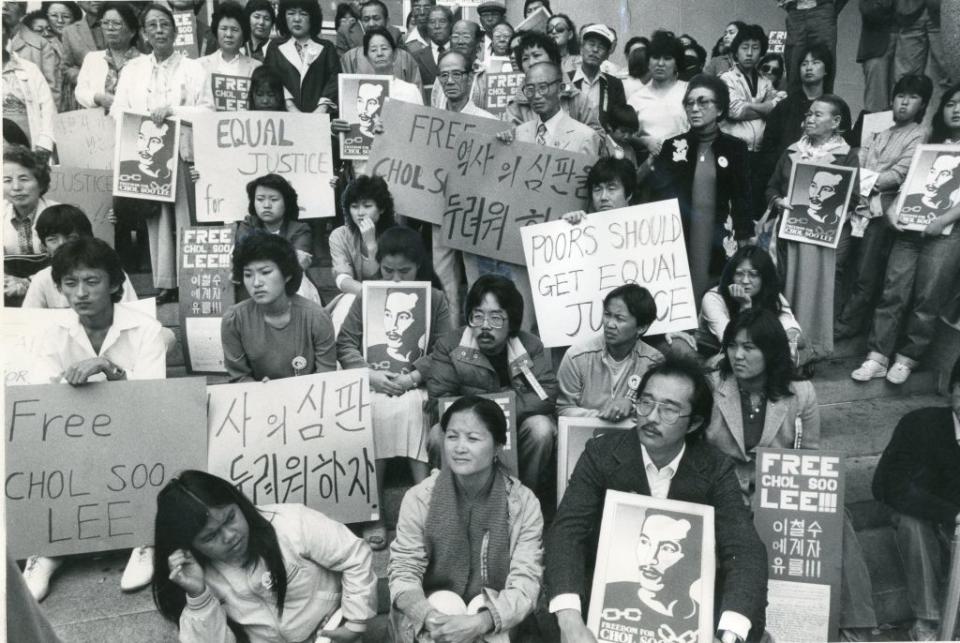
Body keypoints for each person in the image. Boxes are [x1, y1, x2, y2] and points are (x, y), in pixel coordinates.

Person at [544, 355, 768, 643]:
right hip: (609, 601)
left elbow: (744, 549)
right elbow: (567, 531)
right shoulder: (601, 454)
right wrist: (570, 620)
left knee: (744, 626)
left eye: (669, 410)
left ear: (694, 423)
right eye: (646, 403)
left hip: (685, 605)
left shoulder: (715, 468)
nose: (651, 417)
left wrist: (728, 635)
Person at [706, 308, 878, 640]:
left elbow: (811, 458)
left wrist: (787, 495)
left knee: (836, 517)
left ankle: (857, 626)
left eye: (749, 348)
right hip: (722, 493)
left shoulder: (801, 393)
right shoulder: (712, 386)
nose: (738, 355)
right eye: (733, 346)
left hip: (778, 494)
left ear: (771, 351)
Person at [22, 237, 166, 602]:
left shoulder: (144, 328)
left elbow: (155, 399)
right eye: (70, 284)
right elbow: (43, 395)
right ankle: (49, 547)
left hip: (136, 429)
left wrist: (109, 369)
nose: (81, 293)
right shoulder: (51, 332)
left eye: (92, 281)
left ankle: (143, 538)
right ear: (59, 288)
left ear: (115, 283)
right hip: (71, 432)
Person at [152, 470, 377, 643]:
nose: (230, 536)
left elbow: (354, 554)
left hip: (330, 630)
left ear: (238, 503)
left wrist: (355, 623)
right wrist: (198, 595)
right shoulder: (193, 573)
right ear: (189, 545)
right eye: (211, 536)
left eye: (230, 518)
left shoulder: (290, 523)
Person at [388, 396, 543, 642]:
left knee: (487, 610)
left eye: (472, 438)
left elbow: (526, 581)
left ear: (497, 446)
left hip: (494, 610)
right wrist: (430, 617)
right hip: (433, 608)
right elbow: (404, 571)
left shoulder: (523, 503)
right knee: (445, 604)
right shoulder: (419, 498)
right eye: (452, 436)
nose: (459, 447)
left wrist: (481, 622)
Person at [337, 225, 449, 550]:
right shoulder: (367, 296)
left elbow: (443, 348)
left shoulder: (436, 299)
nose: (396, 279)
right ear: (378, 266)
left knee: (413, 406)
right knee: (373, 409)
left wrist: (413, 376)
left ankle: (424, 505)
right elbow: (345, 342)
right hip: (374, 382)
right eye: (388, 270)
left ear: (419, 267)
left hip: (417, 384)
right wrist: (368, 374)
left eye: (405, 271)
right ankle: (374, 511)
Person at [851, 84, 960, 385]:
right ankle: (877, 355)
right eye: (951, 103)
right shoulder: (931, 141)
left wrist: (945, 219)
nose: (956, 109)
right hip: (908, 230)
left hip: (947, 233)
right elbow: (910, 183)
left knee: (928, 296)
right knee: (892, 291)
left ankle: (907, 358)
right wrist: (894, 210)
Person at [111, 2, 213, 303]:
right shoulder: (133, 69)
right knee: (155, 219)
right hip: (146, 149)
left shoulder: (194, 68)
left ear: (175, 30)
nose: (159, 30)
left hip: (182, 148)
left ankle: (188, 280)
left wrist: (172, 111)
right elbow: (118, 110)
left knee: (184, 216)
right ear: (143, 34)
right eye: (152, 25)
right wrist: (143, 120)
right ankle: (165, 283)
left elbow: (208, 111)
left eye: (164, 24)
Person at [425, 275, 558, 497]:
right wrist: (485, 416)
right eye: (477, 317)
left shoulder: (530, 346)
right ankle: (454, 500)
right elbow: (439, 399)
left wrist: (505, 410)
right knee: (438, 435)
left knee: (541, 429)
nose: (485, 326)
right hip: (467, 429)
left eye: (496, 318)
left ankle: (523, 499)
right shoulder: (449, 346)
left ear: (512, 321)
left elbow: (546, 395)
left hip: (514, 428)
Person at [835, 74, 931, 340]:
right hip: (858, 207)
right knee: (844, 263)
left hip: (882, 211)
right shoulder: (880, 132)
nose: (904, 103)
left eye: (912, 98)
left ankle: (848, 326)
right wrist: (864, 180)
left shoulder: (920, 135)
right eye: (901, 96)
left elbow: (899, 175)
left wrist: (863, 180)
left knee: (866, 273)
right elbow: (859, 159)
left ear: (922, 105)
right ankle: (836, 318)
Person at [871, 356, 960, 642]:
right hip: (926, 519)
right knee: (912, 524)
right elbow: (886, 485)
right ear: (952, 389)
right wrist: (952, 514)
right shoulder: (920, 424)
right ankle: (929, 620)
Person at [766, 94, 857, 360]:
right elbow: (771, 187)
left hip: (820, 238)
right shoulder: (792, 151)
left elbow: (853, 197)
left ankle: (808, 351)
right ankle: (781, 346)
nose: (810, 119)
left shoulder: (846, 156)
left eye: (818, 114)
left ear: (835, 121)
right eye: (809, 114)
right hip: (786, 233)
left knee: (814, 292)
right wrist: (778, 200)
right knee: (784, 287)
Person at [648, 74, 753, 298]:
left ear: (720, 109)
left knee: (715, 290)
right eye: (690, 103)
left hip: (719, 234)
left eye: (703, 102)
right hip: (678, 233)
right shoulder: (672, 146)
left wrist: (745, 239)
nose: (694, 108)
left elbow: (743, 197)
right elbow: (655, 197)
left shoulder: (735, 148)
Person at [221, 232, 336, 382]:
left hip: (310, 399)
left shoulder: (316, 318)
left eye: (266, 272)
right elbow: (238, 377)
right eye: (248, 275)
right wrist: (260, 390)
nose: (256, 283)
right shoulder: (234, 320)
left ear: (287, 274)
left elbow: (327, 376)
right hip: (259, 400)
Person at [557, 283, 664, 418]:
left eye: (619, 318)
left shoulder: (654, 362)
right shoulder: (577, 356)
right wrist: (602, 416)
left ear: (641, 327)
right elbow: (563, 409)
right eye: (607, 315)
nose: (609, 324)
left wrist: (631, 406)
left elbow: (657, 409)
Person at [24, 204, 139, 308]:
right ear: (45, 247)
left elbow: (132, 315)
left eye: (71, 237)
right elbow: (29, 322)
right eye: (52, 239)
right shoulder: (42, 279)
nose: (62, 245)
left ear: (87, 239)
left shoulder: (112, 272)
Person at [699, 245, 803, 354]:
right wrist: (745, 306)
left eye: (753, 275)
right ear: (731, 275)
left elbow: (796, 336)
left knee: (798, 354)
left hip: (759, 353)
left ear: (764, 277)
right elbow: (733, 342)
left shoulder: (772, 296)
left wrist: (787, 340)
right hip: (714, 353)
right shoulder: (714, 298)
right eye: (739, 274)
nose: (745, 281)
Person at [721, 24, 785, 187]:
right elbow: (736, 111)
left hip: (759, 153)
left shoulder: (765, 82)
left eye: (755, 48)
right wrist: (769, 106)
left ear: (761, 52)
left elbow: (777, 109)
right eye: (744, 47)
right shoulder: (726, 78)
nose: (749, 53)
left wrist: (751, 106)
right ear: (736, 51)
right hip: (733, 150)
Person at [759, 44, 832, 175]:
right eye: (804, 64)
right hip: (783, 177)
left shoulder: (836, 107)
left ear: (826, 69)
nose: (809, 68)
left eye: (815, 63)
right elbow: (768, 148)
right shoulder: (784, 106)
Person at [509, 60, 602, 155]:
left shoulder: (586, 137)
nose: (536, 96)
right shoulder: (519, 133)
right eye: (530, 89)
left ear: (561, 89)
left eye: (543, 87)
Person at [263, 0, 340, 113]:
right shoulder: (275, 47)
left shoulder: (327, 47)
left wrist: (322, 108)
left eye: (303, 14)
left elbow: (335, 80)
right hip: (284, 117)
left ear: (312, 18)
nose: (297, 19)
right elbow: (270, 78)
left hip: (320, 118)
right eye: (291, 13)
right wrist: (290, 106)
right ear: (284, 16)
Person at [235, 174, 314, 280]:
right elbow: (242, 257)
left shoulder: (300, 230)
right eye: (260, 199)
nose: (266, 205)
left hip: (290, 286)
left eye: (274, 199)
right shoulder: (248, 224)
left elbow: (296, 265)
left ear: (286, 202)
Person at [329, 174, 397, 297]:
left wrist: (371, 245)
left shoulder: (397, 235)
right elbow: (342, 278)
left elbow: (393, 279)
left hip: (391, 296)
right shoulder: (339, 235)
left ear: (381, 209)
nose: (360, 213)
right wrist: (369, 293)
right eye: (354, 207)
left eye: (367, 206)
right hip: (356, 295)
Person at [502, 30, 585, 127]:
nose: (531, 62)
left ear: (552, 58)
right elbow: (513, 139)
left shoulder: (577, 98)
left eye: (536, 55)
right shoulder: (515, 108)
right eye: (525, 59)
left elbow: (596, 136)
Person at [628, 30, 690, 160]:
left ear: (676, 63)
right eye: (655, 57)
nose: (660, 63)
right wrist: (644, 141)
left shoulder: (688, 91)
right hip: (647, 165)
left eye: (667, 58)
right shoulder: (636, 98)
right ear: (648, 61)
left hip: (684, 161)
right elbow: (626, 134)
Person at [74, 2, 141, 111]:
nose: (110, 28)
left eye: (116, 23)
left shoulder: (144, 62)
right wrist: (97, 98)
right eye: (105, 23)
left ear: (132, 31)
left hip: (131, 123)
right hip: (99, 123)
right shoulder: (92, 59)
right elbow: (80, 91)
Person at [1, 26, 56, 155]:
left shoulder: (29, 69)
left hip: (29, 147)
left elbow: (48, 108)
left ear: (7, 38)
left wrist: (45, 144)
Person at [571, 23, 627, 136]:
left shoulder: (614, 84)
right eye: (591, 44)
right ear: (581, 48)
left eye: (601, 47)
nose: (595, 50)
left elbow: (620, 122)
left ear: (607, 55)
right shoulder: (566, 79)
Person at [3, 1, 62, 108]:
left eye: (11, 2)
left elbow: (51, 90)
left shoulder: (40, 45)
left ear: (22, 14)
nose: (4, 6)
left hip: (27, 114)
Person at [781, 0, 846, 95]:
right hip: (795, 12)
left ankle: (824, 107)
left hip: (822, 9)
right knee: (794, 69)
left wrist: (830, 9)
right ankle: (794, 107)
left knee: (824, 66)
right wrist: (790, 6)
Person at [430, 19, 489, 111]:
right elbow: (435, 106)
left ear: (477, 41)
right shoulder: (442, 74)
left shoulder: (486, 75)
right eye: (455, 37)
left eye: (466, 37)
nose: (460, 41)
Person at [341, 22, 423, 89]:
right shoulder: (363, 89)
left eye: (384, 48)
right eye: (373, 50)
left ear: (394, 53)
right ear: (367, 56)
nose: (379, 53)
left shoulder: (409, 89)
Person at [198, 1, 261, 82]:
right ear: (216, 31)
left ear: (243, 33)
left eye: (235, 30)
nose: (228, 34)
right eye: (223, 29)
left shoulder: (255, 68)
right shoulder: (200, 65)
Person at [61, 0, 105, 108]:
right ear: (79, 2)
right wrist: (87, 79)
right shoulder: (70, 31)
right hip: (86, 99)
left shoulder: (123, 26)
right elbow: (66, 67)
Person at [858, 0, 897, 113]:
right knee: (876, 105)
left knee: (907, 99)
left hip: (913, 36)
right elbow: (869, 11)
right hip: (877, 40)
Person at [410, 5, 452, 104]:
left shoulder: (460, 55)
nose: (437, 26)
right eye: (432, 22)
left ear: (450, 24)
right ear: (427, 26)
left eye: (442, 21)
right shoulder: (415, 57)